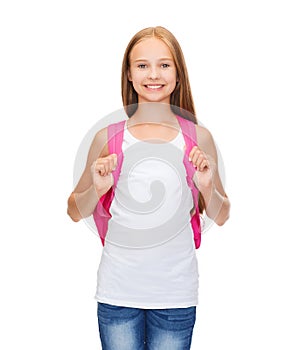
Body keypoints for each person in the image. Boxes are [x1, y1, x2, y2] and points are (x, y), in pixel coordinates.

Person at [67, 26, 230, 350]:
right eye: (142, 65)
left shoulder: (199, 137)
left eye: (164, 64)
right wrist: (98, 189)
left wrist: (207, 186)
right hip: (118, 293)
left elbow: (221, 215)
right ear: (128, 73)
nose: (153, 74)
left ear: (178, 73)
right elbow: (75, 211)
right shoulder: (107, 137)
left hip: (176, 294)